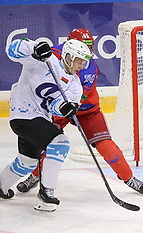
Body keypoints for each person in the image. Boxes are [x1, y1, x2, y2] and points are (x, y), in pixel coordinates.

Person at [16, 28, 143, 195]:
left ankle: (129, 178)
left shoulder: (89, 68)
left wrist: (70, 105)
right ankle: (36, 175)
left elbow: (79, 97)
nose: (87, 53)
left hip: (87, 110)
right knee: (50, 144)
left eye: (90, 47)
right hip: (57, 107)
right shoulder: (52, 54)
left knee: (106, 146)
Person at [0, 38, 92, 211]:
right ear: (69, 57)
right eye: (80, 61)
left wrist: (65, 108)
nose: (82, 66)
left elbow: (56, 107)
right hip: (22, 115)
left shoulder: (75, 86)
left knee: (26, 163)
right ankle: (46, 192)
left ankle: (1, 187)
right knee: (61, 143)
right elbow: (11, 50)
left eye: (84, 63)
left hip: (39, 119)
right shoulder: (44, 60)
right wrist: (33, 48)